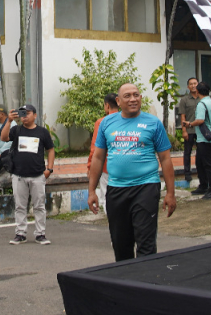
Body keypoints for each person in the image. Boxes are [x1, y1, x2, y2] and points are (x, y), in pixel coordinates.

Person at [87, 83, 176, 261]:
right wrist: (91, 191)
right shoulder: (106, 123)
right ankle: (125, 276)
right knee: (121, 243)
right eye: (127, 96)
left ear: (141, 98)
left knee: (146, 242)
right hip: (116, 188)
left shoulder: (153, 123)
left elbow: (166, 159)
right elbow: (98, 158)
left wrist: (170, 193)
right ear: (118, 101)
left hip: (146, 187)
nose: (133, 99)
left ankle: (145, 277)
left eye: (136, 95)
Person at [7, 105, 55, 246]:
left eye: (27, 113)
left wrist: (49, 169)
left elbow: (50, 149)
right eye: (22, 113)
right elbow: (4, 138)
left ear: (35, 115)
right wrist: (8, 121)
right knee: (20, 206)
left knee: (39, 206)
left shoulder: (42, 132)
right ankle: (20, 233)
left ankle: (40, 234)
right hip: (19, 175)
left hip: (38, 175)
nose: (24, 116)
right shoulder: (16, 130)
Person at [190, 82, 211, 200]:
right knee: (200, 162)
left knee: (208, 164)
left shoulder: (201, 104)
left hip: (205, 138)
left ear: (197, 92)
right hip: (210, 136)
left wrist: (190, 124)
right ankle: (203, 185)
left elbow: (200, 120)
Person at [86, 94, 118, 204]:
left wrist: (90, 167)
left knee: (107, 200)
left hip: (106, 168)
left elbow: (95, 149)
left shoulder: (102, 122)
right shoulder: (126, 120)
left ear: (107, 105)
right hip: (124, 169)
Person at [175, 78, 201, 191]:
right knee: (187, 153)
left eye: (195, 83)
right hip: (189, 131)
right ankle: (187, 174)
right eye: (191, 84)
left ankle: (201, 173)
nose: (193, 86)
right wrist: (184, 130)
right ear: (188, 86)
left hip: (200, 131)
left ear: (198, 85)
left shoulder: (202, 98)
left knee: (201, 153)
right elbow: (183, 116)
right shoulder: (184, 100)